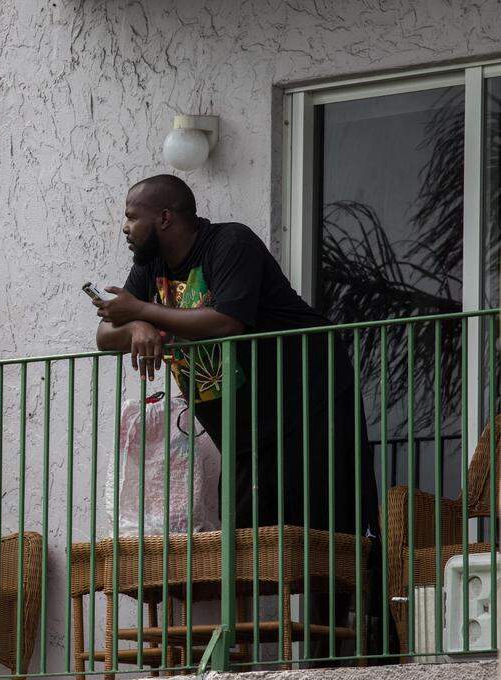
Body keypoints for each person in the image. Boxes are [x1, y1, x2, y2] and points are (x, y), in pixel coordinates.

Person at [94, 174, 378, 541]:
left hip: (305, 402)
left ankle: (352, 599)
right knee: (245, 547)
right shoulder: (151, 266)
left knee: (327, 535)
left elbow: (227, 322)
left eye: (132, 217)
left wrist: (145, 312)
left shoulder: (230, 243)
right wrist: (137, 327)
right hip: (243, 429)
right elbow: (105, 334)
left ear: (164, 218)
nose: (125, 228)